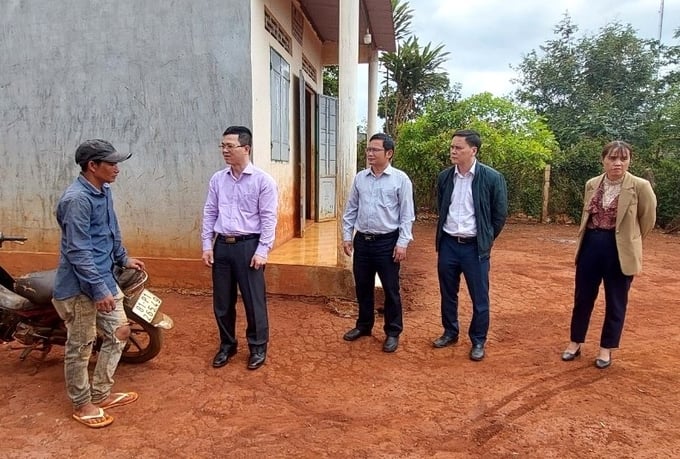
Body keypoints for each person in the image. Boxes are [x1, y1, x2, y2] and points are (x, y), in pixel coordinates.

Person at [53, 139, 144, 428]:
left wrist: (123, 257)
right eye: (111, 163)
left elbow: (109, 229)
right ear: (93, 166)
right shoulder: (76, 200)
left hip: (103, 276)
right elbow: (78, 251)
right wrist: (98, 289)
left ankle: (101, 394)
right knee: (81, 345)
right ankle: (82, 404)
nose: (117, 169)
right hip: (80, 286)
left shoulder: (102, 191)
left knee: (120, 331)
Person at [561, 141, 656, 369]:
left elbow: (648, 220)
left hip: (620, 250)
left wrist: (629, 241)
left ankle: (606, 349)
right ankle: (575, 342)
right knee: (582, 298)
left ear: (629, 161)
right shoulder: (592, 183)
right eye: (613, 158)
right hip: (591, 245)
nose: (618, 163)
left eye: (623, 159)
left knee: (616, 301)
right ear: (603, 160)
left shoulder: (640, 186)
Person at [201, 126, 278, 370]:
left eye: (229, 146)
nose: (224, 150)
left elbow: (268, 218)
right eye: (222, 146)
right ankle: (227, 345)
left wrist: (262, 250)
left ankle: (257, 347)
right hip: (222, 245)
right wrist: (207, 244)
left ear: (246, 148)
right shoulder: (218, 179)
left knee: (254, 301)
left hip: (249, 247)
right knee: (222, 301)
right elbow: (210, 212)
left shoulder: (263, 181)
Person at [433, 129, 508, 361]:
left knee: (480, 297)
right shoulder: (445, 177)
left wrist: (485, 238)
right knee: (448, 292)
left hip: (475, 248)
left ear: (473, 150)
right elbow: (441, 206)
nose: (453, 151)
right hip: (448, 244)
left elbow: (500, 214)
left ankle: (478, 340)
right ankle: (450, 332)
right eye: (452, 147)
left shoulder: (492, 178)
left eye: (458, 148)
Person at [341, 133, 415, 353]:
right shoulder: (360, 178)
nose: (369, 154)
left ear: (389, 153)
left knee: (391, 289)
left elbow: (407, 215)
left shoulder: (400, 179)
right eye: (368, 150)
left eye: (375, 150)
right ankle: (363, 326)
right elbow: (351, 209)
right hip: (362, 241)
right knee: (363, 287)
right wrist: (347, 236)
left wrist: (402, 243)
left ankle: (392, 332)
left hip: (387, 242)